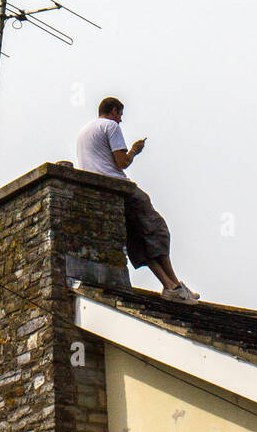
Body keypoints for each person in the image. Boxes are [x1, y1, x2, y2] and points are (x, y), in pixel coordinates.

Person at [75, 95, 199, 303]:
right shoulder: (110, 127)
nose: (121, 119)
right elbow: (122, 162)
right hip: (119, 187)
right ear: (113, 111)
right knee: (157, 231)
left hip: (98, 191)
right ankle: (174, 285)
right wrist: (134, 150)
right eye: (120, 114)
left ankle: (172, 286)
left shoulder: (85, 130)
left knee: (139, 240)